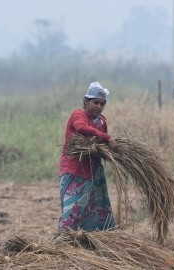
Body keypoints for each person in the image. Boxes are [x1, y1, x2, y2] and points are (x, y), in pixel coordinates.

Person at [58, 81, 118, 231]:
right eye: (95, 102)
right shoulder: (79, 114)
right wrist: (108, 138)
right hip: (75, 168)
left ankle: (92, 237)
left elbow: (101, 144)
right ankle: (66, 238)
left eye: (102, 104)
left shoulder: (102, 121)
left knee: (97, 207)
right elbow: (82, 128)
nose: (98, 106)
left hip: (93, 170)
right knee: (74, 208)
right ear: (86, 101)